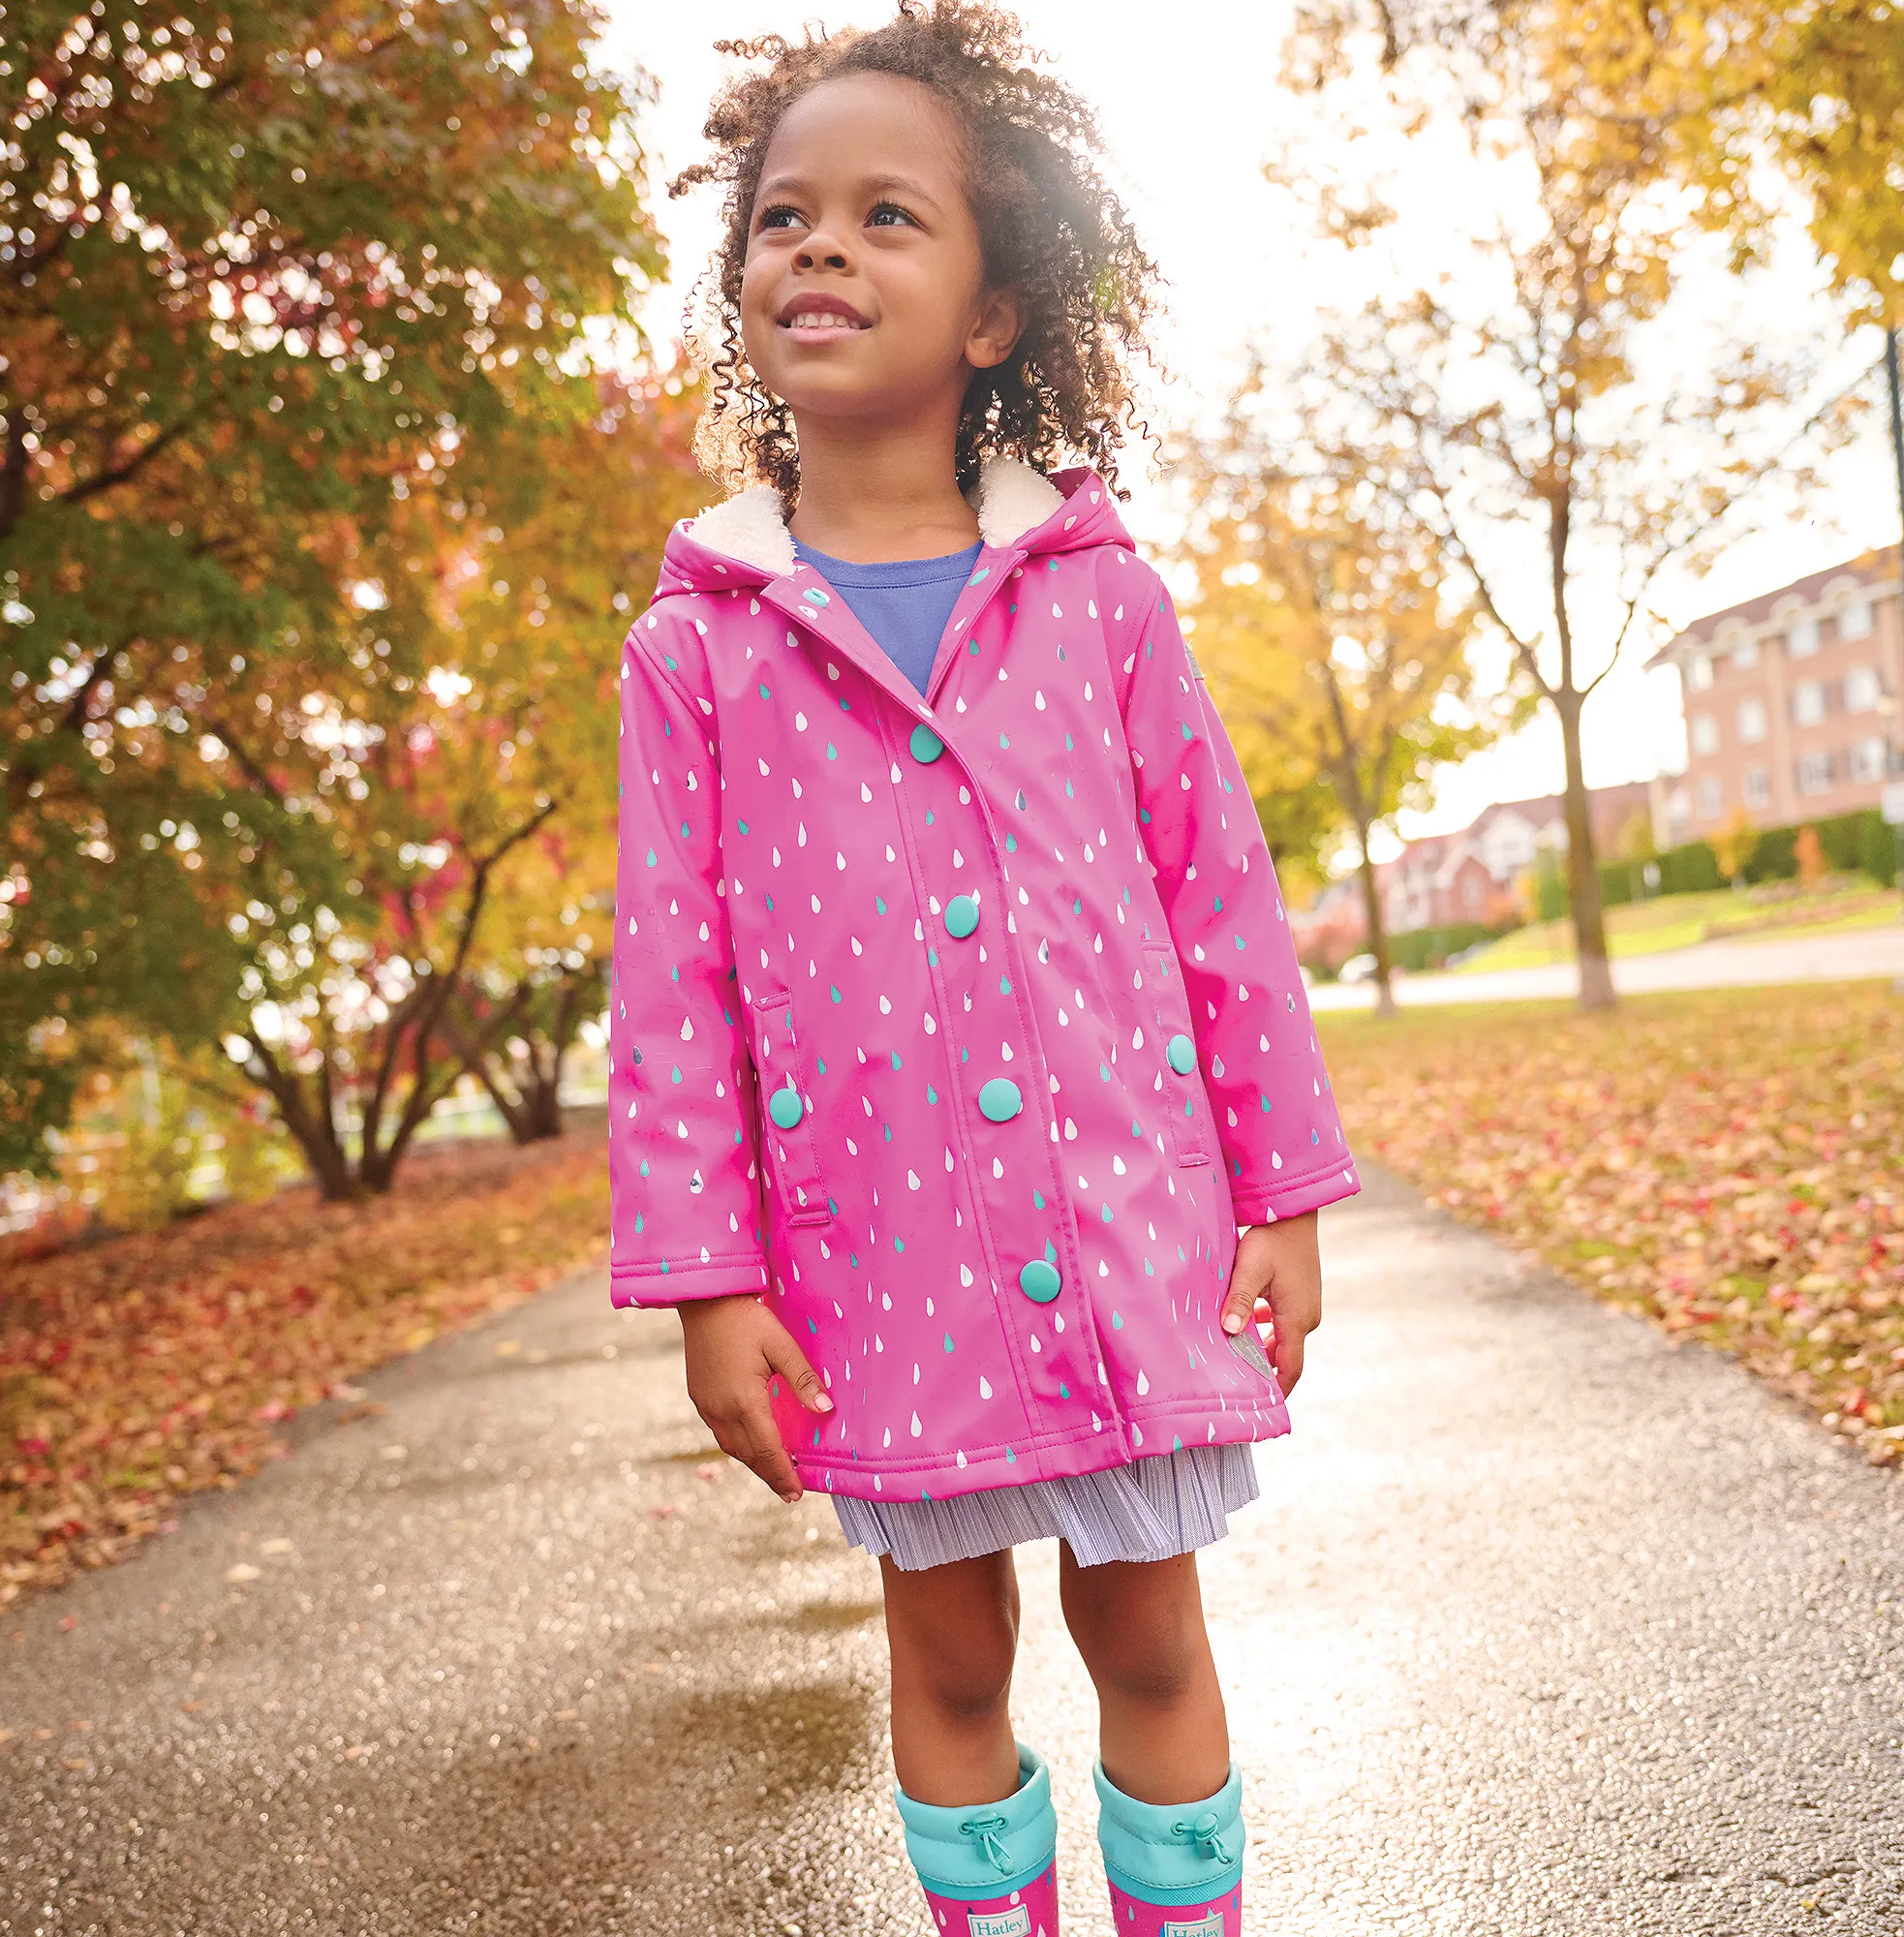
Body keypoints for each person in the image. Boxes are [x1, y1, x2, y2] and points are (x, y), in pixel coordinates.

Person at [607, 7, 1358, 1932]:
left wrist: (1279, 1192)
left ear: (997, 315)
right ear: (738, 283)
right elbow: (672, 987)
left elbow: (1224, 904)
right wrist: (708, 1282)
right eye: (783, 219)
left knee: (1150, 1633)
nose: (820, 250)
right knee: (946, 1659)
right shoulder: (697, 647)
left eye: (884, 217)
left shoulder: (1097, 596)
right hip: (883, 1259)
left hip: (1128, 1233)